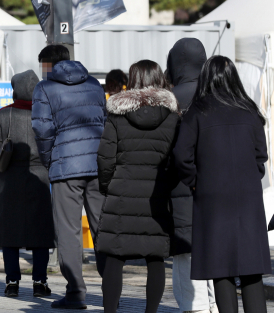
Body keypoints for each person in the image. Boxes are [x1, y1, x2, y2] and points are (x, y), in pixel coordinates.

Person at [173, 56, 270, 313]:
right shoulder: (250, 111)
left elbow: (181, 156)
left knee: (221, 270)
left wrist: (196, 182)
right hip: (248, 198)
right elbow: (261, 156)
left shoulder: (197, 113)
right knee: (252, 271)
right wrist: (249, 177)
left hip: (212, 198)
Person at [96, 60, 178, 313]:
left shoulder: (117, 114)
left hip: (122, 192)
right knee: (155, 257)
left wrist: (108, 185)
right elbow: (177, 158)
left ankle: (110, 310)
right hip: (158, 193)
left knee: (115, 255)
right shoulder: (173, 116)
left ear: (131, 80)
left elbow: (105, 157)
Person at [31, 44, 106, 309]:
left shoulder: (44, 88)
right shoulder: (95, 84)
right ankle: (112, 287)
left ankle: (76, 292)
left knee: (69, 231)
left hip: (65, 167)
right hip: (98, 163)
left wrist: (50, 160)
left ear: (47, 65)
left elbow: (42, 130)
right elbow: (104, 121)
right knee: (103, 227)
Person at [0, 70, 55, 298]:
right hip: (39, 177)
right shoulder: (46, 114)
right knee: (40, 233)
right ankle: (39, 281)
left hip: (10, 178)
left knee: (10, 232)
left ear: (14, 89)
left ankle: (12, 282)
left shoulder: (4, 114)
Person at [166, 38, 217, 313]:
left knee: (185, 254)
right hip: (217, 187)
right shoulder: (218, 93)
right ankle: (214, 304)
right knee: (213, 250)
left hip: (180, 188)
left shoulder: (171, 100)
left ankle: (195, 308)